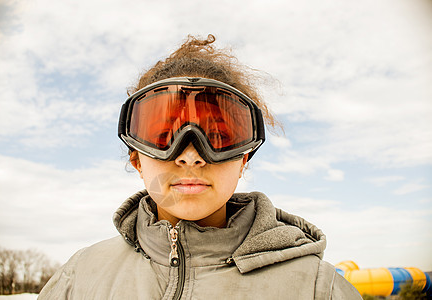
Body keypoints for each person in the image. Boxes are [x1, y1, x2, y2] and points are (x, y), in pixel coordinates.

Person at [38, 35, 362, 299]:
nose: (191, 156)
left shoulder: (317, 289)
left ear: (243, 159)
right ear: (136, 158)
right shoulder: (80, 279)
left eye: (219, 137)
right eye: (163, 136)